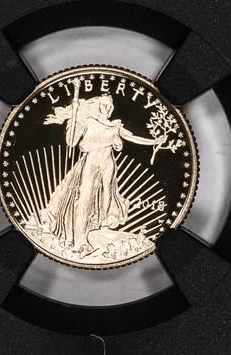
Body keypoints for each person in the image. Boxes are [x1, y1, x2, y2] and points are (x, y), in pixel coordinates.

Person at [42, 94, 162, 254]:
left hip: (108, 163)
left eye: (110, 105)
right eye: (104, 104)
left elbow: (133, 138)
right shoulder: (88, 122)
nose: (107, 108)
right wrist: (75, 120)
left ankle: (102, 225)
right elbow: (71, 142)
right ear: (97, 106)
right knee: (84, 198)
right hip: (91, 162)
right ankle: (79, 240)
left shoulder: (115, 126)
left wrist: (154, 141)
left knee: (107, 195)